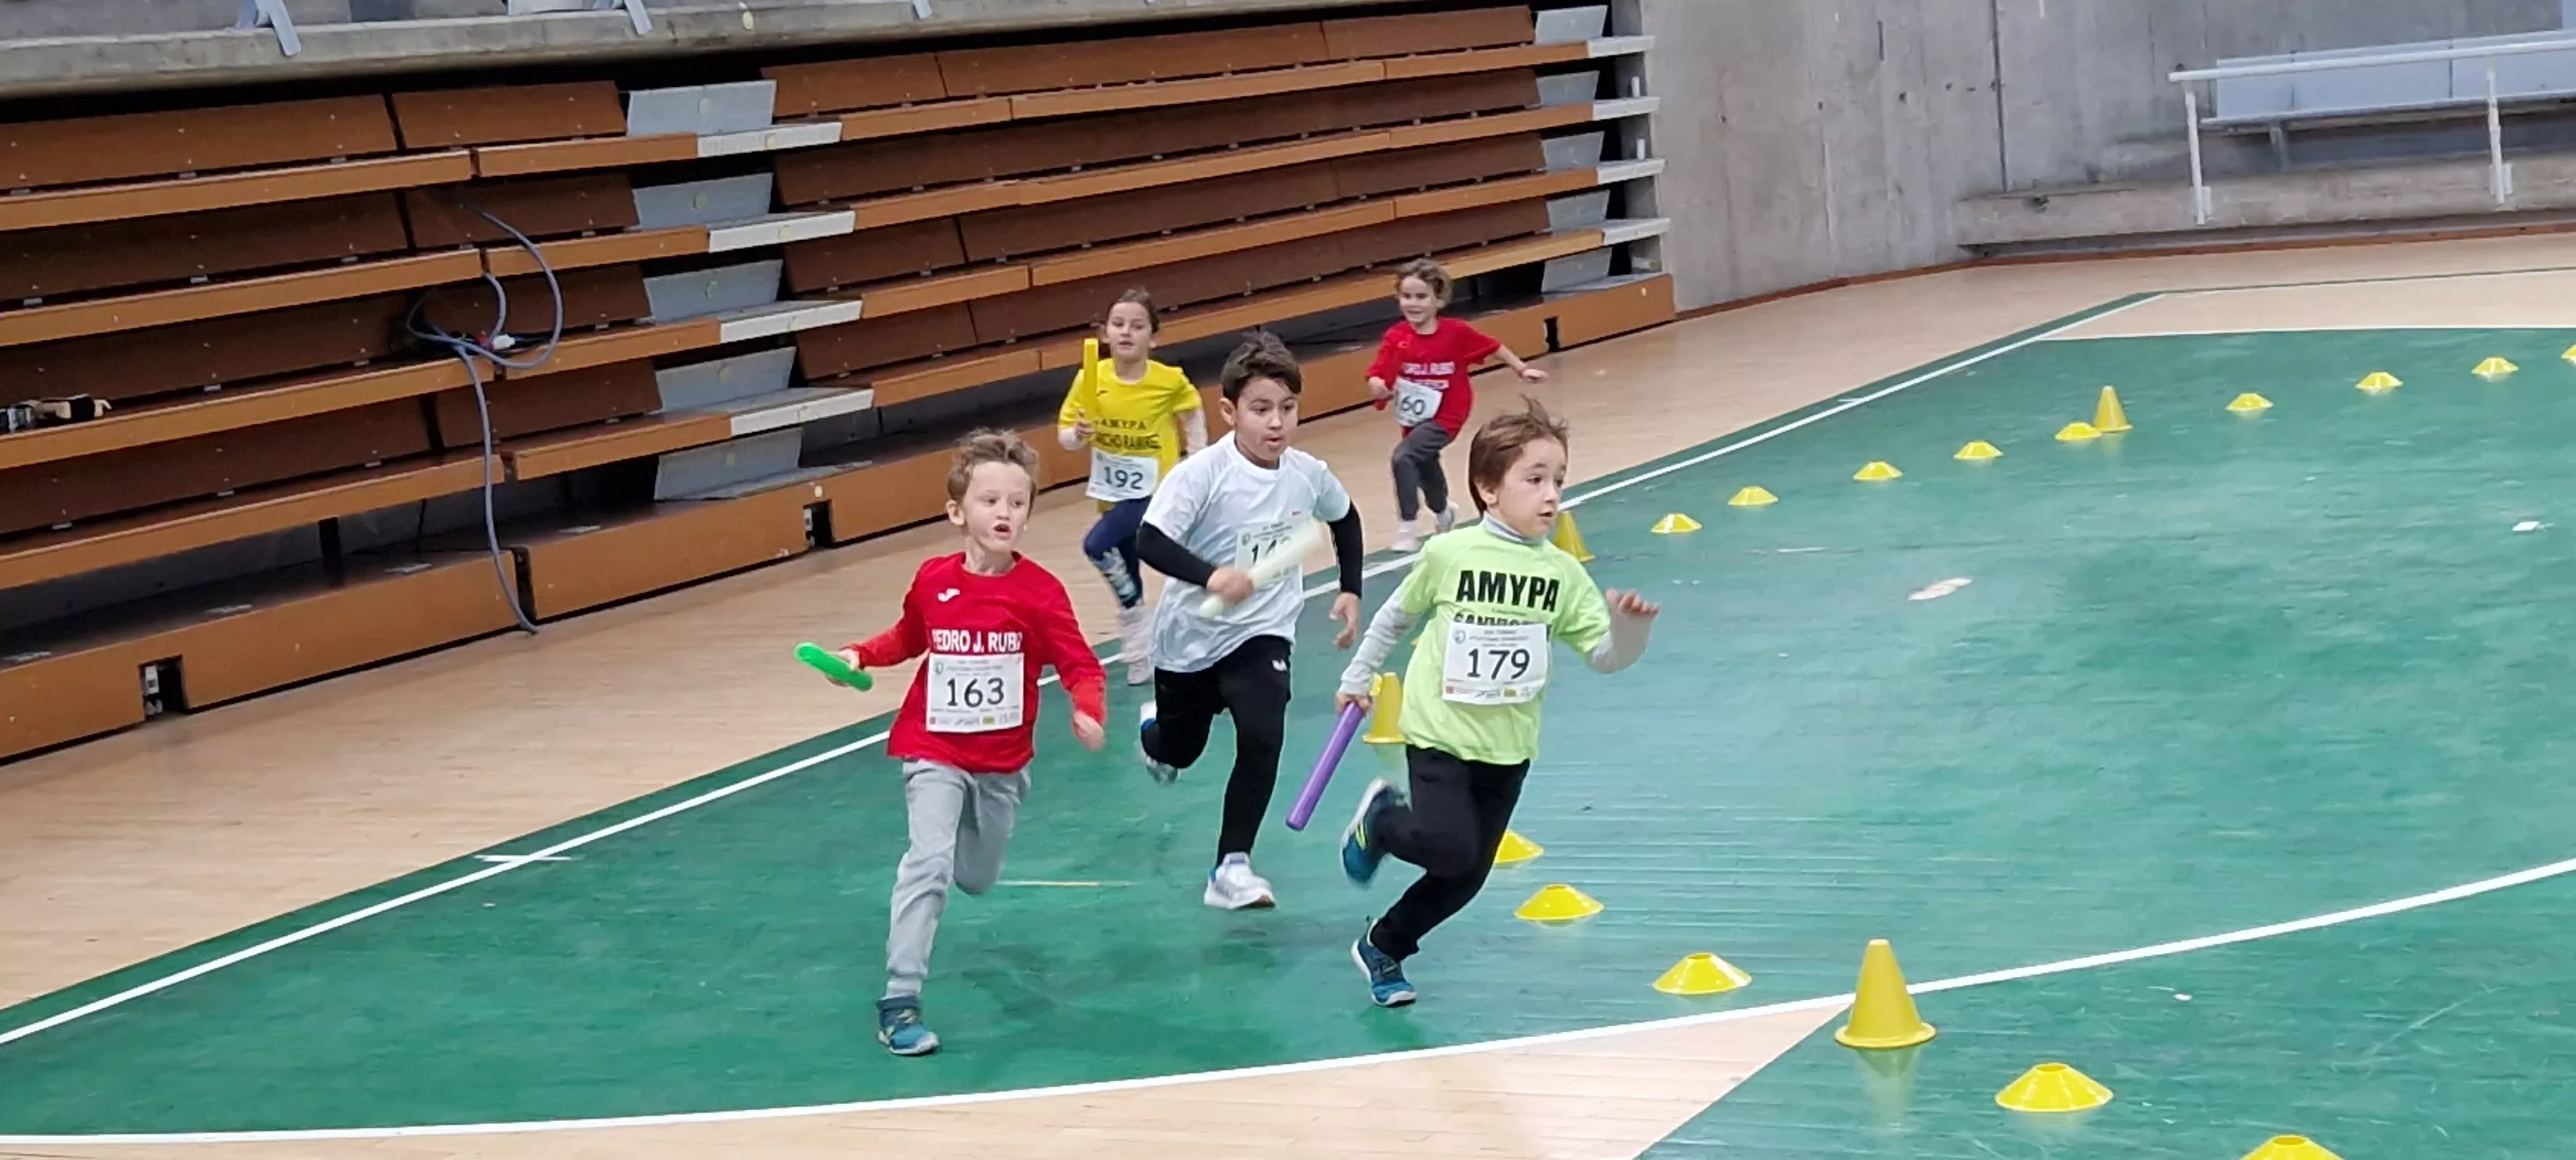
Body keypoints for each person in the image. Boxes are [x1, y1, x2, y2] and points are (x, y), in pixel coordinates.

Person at [1332, 399, 1658, 1006]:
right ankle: (1383, 821)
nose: (1551, 495)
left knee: (1466, 875)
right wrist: (1359, 674)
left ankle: (1385, 944)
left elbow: (1607, 656)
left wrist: (1630, 630)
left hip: (1508, 746)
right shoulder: (1449, 554)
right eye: (1534, 480)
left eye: (1558, 480)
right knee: (1449, 845)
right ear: (1487, 488)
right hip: (1439, 729)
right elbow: (1395, 618)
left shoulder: (1562, 574)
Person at [824, 431, 1109, 1056]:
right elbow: (908, 636)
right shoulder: (933, 580)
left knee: (975, 878)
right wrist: (859, 654)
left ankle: (955, 841)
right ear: (958, 512)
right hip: (933, 748)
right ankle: (900, 1000)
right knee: (927, 863)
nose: (1004, 513)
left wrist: (1087, 711)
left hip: (1002, 764)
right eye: (990, 501)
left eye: (1017, 502)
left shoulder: (1039, 593)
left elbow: (1082, 665)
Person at [1132, 331, 1367, 910]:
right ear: (1230, 411)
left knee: (1263, 735)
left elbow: (1346, 519)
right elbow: (1150, 541)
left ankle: (1231, 866)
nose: (1276, 422)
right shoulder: (1202, 475)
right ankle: (1155, 737)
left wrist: (1350, 590)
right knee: (1180, 750)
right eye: (1261, 409)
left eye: (1288, 408)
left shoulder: (1307, 474)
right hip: (1190, 640)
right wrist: (1212, 576)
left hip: (1262, 632)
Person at [1057, 289, 1207, 685]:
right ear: (1104, 333)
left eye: (1137, 326)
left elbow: (1192, 414)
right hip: (1111, 489)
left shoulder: (1168, 380)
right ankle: (1142, 642)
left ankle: (1141, 623)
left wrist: (1197, 459)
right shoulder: (1090, 378)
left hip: (1156, 489)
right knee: (1127, 562)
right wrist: (1078, 433)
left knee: (1096, 545)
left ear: (1152, 337)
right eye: (1118, 324)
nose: (1127, 332)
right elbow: (1066, 435)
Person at [1365, 258, 1548, 554]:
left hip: (1448, 413)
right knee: (1424, 464)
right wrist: (1377, 384)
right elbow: (1380, 372)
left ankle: (1408, 526)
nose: (1413, 303)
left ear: (1439, 300)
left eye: (1421, 296)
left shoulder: (1455, 333)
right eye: (1406, 296)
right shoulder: (1396, 337)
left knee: (1403, 457)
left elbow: (1494, 347)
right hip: (1414, 416)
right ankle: (1443, 510)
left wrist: (1521, 368)